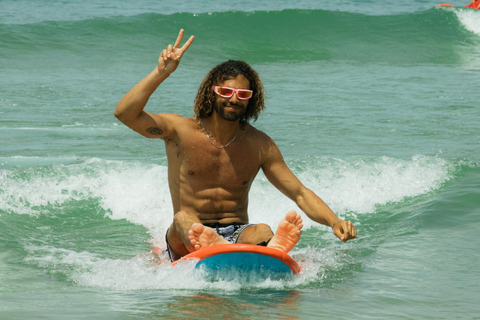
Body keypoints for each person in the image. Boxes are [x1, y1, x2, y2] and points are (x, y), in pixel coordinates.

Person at [115, 29, 357, 262]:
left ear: (252, 99)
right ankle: (221, 247)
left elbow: (299, 193)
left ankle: (265, 247)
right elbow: (125, 114)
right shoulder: (179, 131)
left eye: (242, 95)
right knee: (184, 219)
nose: (234, 99)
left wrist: (334, 221)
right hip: (188, 233)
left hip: (237, 230)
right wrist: (161, 73)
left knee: (261, 229)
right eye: (227, 91)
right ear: (213, 93)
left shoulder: (259, 144)